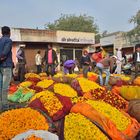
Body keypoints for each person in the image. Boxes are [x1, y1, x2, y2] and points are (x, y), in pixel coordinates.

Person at [0, 26, 13, 110]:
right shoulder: (8, 40)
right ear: (9, 33)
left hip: (1, 66)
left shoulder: (0, 40)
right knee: (5, 87)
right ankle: (4, 106)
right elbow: (4, 53)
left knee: (1, 86)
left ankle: (2, 103)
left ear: (2, 32)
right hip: (6, 65)